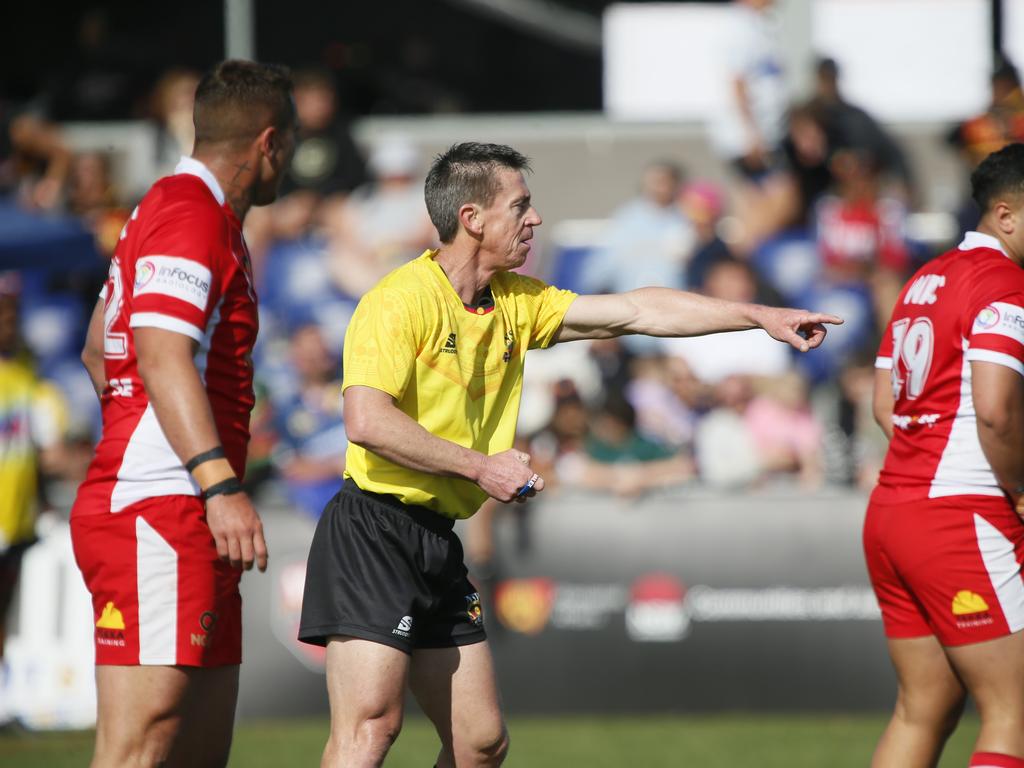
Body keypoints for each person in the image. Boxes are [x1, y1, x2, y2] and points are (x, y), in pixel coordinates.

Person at [297, 141, 841, 767]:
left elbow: (639, 310)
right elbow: (366, 421)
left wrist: (754, 313)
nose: (535, 220)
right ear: (473, 218)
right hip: (374, 529)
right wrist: (482, 466)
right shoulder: (398, 300)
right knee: (370, 728)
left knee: (479, 743)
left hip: (435, 536)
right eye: (520, 206)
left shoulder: (515, 301)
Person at [70, 60, 295, 768]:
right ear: (267, 144)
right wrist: (216, 482)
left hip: (179, 506)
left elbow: (97, 347)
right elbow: (161, 355)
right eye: (289, 144)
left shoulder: (177, 210)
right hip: (162, 507)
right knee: (142, 744)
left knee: (196, 751)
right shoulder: (189, 212)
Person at [865, 142, 1024, 768]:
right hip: (961, 513)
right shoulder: (1006, 284)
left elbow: (885, 405)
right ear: (1006, 216)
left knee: (924, 708)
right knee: (1015, 711)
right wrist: (1018, 487)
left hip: (892, 510)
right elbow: (995, 409)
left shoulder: (923, 279)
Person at [0, 272, 68, 719]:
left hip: (16, 515)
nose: (9, 319)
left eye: (13, 311)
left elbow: (37, 449)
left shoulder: (25, 368)